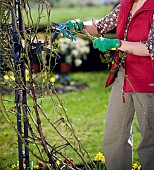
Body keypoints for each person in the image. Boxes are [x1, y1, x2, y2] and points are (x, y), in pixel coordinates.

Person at [64, 0, 154, 169]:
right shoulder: (126, 4)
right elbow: (100, 26)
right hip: (123, 76)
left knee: (150, 141)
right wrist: (80, 25)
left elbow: (151, 48)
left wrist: (117, 44)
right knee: (114, 135)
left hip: (148, 81)